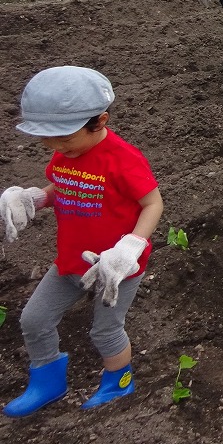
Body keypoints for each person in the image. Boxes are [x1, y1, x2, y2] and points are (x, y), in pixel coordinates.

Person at [1, 66, 163, 417]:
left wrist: (131, 247)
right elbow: (62, 184)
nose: (55, 147)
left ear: (100, 121)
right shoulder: (66, 152)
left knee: (105, 331)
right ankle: (47, 381)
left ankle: (119, 382)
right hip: (72, 257)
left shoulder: (123, 159)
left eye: (64, 139)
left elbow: (153, 203)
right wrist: (34, 199)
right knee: (34, 319)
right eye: (47, 140)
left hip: (114, 267)